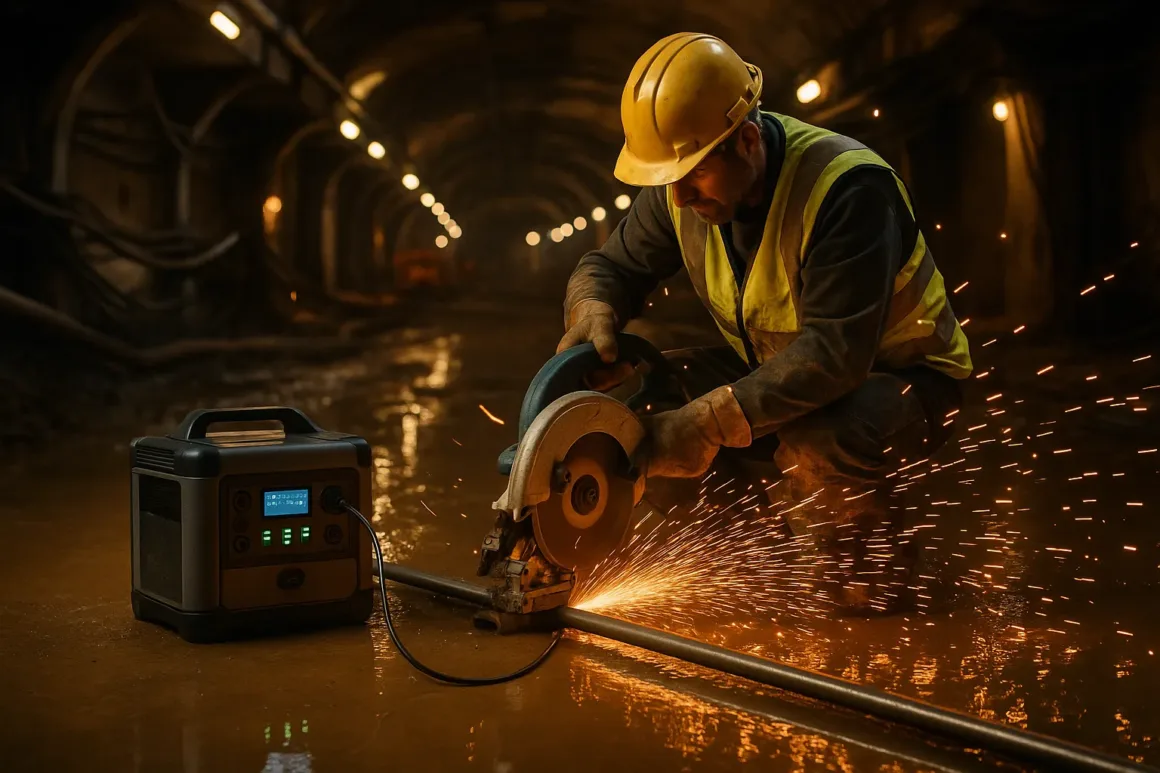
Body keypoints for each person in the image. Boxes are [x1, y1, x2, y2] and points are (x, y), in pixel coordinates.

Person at [556, 32, 973, 614]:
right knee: (654, 400)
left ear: (747, 141)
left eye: (693, 174)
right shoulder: (680, 188)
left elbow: (834, 356)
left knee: (822, 437)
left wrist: (706, 423)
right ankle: (749, 564)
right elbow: (611, 266)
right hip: (781, 368)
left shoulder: (847, 189)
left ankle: (866, 586)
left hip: (906, 383)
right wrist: (592, 306)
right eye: (668, 179)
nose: (676, 195)